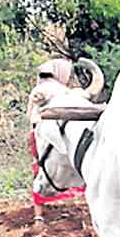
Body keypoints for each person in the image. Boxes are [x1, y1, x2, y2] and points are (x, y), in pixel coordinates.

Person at [26, 58, 86, 227]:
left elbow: (30, 115)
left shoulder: (39, 89)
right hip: (55, 135)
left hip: (42, 136)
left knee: (40, 171)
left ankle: (39, 217)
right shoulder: (64, 92)